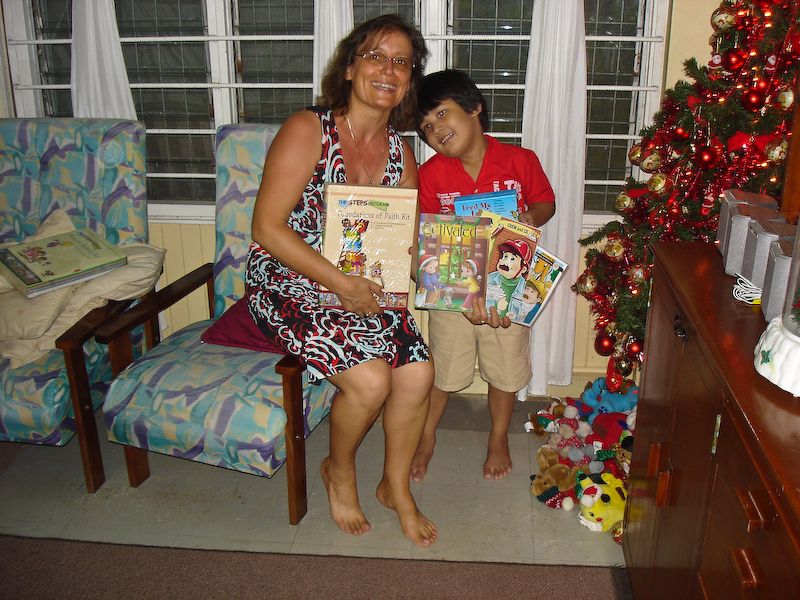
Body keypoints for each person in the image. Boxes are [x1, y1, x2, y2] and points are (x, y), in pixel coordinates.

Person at [245, 14, 441, 547]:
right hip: (289, 282)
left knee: (418, 373)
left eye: (401, 62)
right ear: (350, 67)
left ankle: (395, 487)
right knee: (372, 381)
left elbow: (406, 240)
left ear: (410, 80)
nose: (388, 70)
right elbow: (266, 228)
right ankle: (340, 469)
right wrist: (342, 284)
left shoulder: (401, 152)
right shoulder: (308, 129)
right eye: (376, 56)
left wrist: (459, 284)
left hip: (364, 286)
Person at [413, 69, 556, 481]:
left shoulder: (520, 160)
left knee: (504, 368)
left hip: (507, 288)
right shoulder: (430, 174)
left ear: (474, 107)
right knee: (443, 368)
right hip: (453, 293)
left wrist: (530, 216)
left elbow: (546, 201)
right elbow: (427, 237)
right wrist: (451, 291)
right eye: (426, 126)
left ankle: (498, 437)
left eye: (441, 114)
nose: (435, 129)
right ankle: (426, 436)